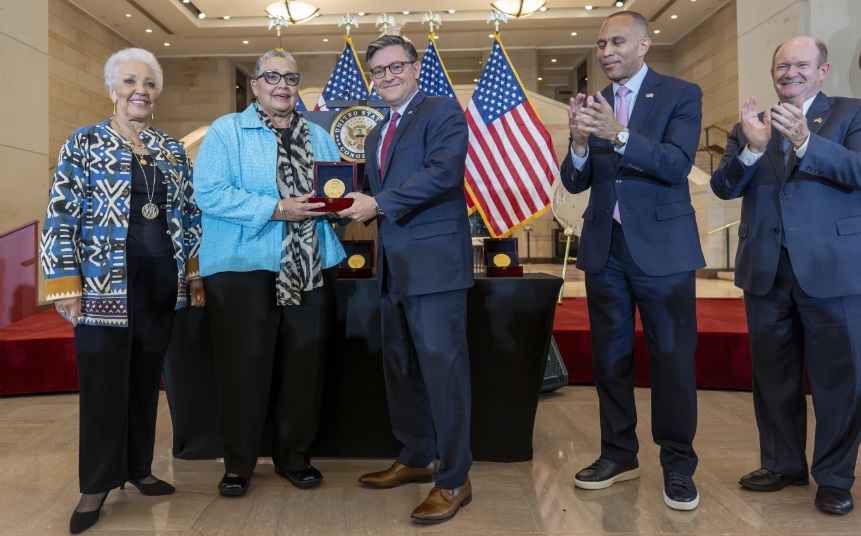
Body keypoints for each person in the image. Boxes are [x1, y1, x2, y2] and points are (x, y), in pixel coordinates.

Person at [39, 47, 204, 534]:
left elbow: (189, 214)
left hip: (161, 280)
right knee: (104, 383)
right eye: (130, 82)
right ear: (112, 90)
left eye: (149, 84)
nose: (141, 91)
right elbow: (60, 213)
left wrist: (192, 274)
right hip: (102, 281)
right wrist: (65, 284)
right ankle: (95, 484)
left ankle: (138, 468)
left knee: (145, 379)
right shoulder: (84, 142)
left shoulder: (171, 148)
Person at [559, 11, 704, 510]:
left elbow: (675, 163)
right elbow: (577, 181)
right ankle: (619, 454)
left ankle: (678, 465)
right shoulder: (595, 104)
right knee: (611, 361)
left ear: (644, 45)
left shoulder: (681, 94)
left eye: (617, 42)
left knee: (672, 362)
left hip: (663, 251)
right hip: (606, 251)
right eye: (601, 45)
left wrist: (618, 133)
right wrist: (579, 144)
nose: (606, 53)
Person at [710, 36, 861, 515]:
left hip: (833, 269)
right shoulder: (753, 124)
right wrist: (752, 150)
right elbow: (723, 185)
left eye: (800, 64)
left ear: (823, 71)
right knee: (773, 377)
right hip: (766, 269)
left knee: (840, 380)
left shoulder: (851, 114)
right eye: (781, 65)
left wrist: (805, 142)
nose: (789, 72)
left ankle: (834, 477)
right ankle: (782, 464)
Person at [193, 49, 345, 498]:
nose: (282, 85)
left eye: (291, 77)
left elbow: (333, 190)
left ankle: (294, 458)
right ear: (255, 85)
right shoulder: (226, 131)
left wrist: (341, 204)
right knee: (244, 369)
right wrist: (278, 208)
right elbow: (210, 193)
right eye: (272, 76)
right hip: (243, 267)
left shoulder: (319, 135)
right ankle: (238, 463)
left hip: (311, 266)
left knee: (304, 367)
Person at [337, 35, 473, 524]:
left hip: (436, 265)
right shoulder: (376, 134)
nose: (388, 76)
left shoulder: (441, 112)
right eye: (379, 70)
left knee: (443, 371)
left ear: (416, 69)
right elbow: (372, 191)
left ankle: (454, 478)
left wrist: (375, 203)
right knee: (402, 367)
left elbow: (442, 172)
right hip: (393, 267)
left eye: (397, 66)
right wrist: (331, 199)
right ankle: (417, 457)